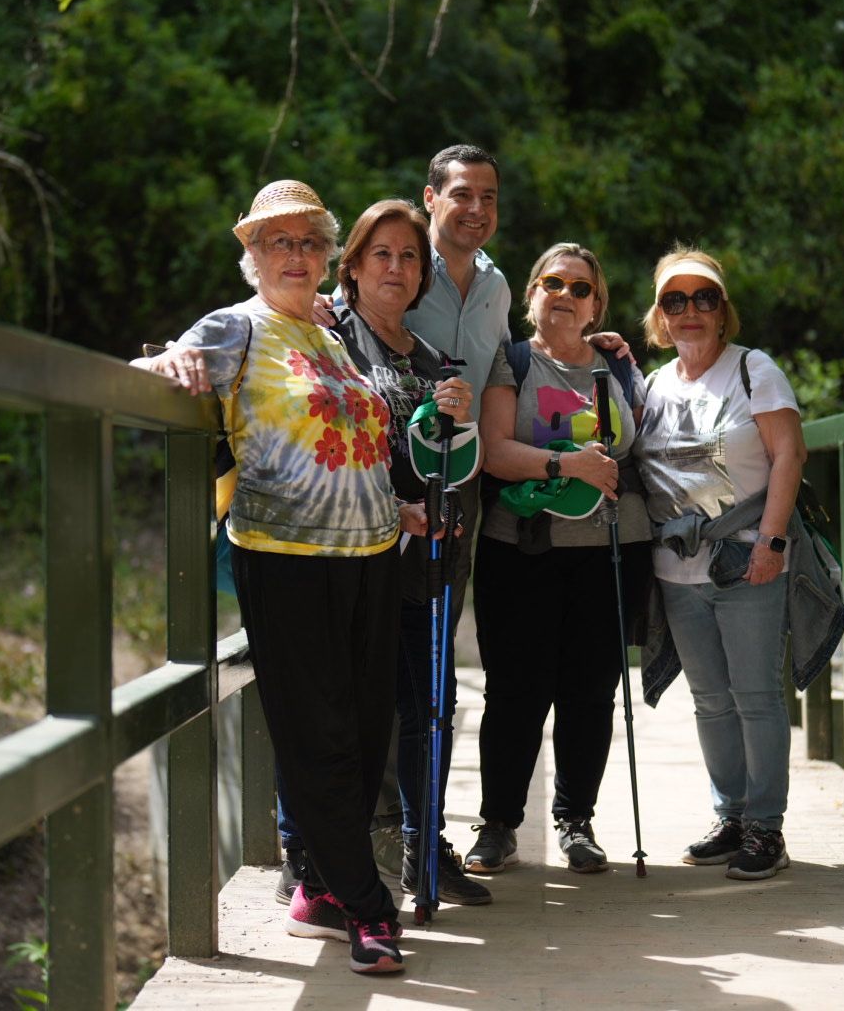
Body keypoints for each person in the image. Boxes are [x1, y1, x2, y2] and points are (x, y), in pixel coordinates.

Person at [134, 180, 407, 974]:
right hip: (286, 560)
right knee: (317, 735)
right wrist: (172, 359)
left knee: (363, 732)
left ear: (327, 257)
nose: (296, 255)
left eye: (310, 242)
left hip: (371, 555)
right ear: (250, 254)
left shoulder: (330, 334)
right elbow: (148, 373)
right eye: (277, 241)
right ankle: (368, 910)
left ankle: (320, 888)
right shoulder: (237, 326)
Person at [464, 243, 652, 876]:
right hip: (520, 548)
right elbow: (492, 452)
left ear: (597, 304)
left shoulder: (619, 367)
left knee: (591, 692)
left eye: (580, 288)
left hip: (609, 550)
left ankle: (576, 820)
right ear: (531, 294)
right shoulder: (510, 361)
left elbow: (652, 443)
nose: (565, 296)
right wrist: (569, 465)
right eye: (552, 283)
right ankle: (498, 824)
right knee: (515, 690)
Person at [329, 198, 491, 908]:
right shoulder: (331, 338)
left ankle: (424, 849)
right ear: (355, 267)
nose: (396, 268)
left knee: (430, 707)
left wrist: (458, 415)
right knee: (355, 708)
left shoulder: (430, 358)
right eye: (382, 255)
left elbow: (451, 461)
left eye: (409, 257)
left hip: (428, 566)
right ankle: (323, 855)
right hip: (357, 561)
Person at [632, 246, 807, 881]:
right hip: (677, 570)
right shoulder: (651, 385)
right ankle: (731, 815)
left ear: (722, 308)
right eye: (674, 301)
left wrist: (773, 540)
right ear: (660, 315)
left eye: (703, 298)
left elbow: (788, 454)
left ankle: (766, 827)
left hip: (746, 560)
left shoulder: (753, 370)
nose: (690, 312)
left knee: (756, 695)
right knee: (709, 698)